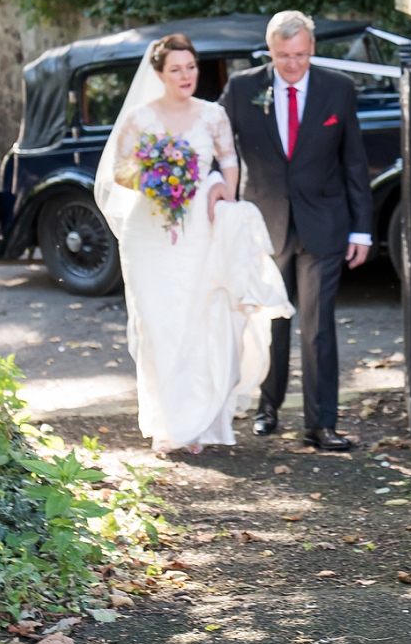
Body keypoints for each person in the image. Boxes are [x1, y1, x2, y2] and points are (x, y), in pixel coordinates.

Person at [94, 34, 292, 457]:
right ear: (160, 74)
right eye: (176, 69)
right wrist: (157, 180)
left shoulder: (212, 115)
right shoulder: (140, 118)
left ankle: (199, 419)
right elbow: (121, 172)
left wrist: (224, 191)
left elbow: (229, 160)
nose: (186, 76)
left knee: (198, 321)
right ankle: (167, 423)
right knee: (159, 325)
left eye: (191, 67)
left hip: (200, 231)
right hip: (148, 233)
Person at [221, 11, 373, 453]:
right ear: (270, 51)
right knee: (271, 323)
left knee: (318, 326)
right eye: (284, 56)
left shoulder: (337, 89)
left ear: (312, 48)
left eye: (301, 55)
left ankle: (321, 424)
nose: (293, 64)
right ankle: (268, 408)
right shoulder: (243, 88)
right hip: (264, 224)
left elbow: (354, 163)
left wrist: (361, 230)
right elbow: (218, 146)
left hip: (324, 224)